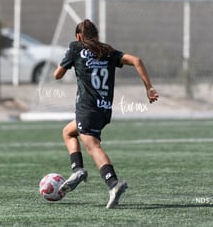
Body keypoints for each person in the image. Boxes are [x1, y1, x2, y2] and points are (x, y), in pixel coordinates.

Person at [54, 19, 159, 209]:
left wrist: (70, 59)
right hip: (104, 109)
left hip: (87, 108)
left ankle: (113, 183)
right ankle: (77, 170)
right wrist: (149, 88)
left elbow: (57, 75)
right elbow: (137, 60)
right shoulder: (108, 52)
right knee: (68, 132)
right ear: (96, 36)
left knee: (93, 146)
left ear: (79, 37)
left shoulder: (76, 47)